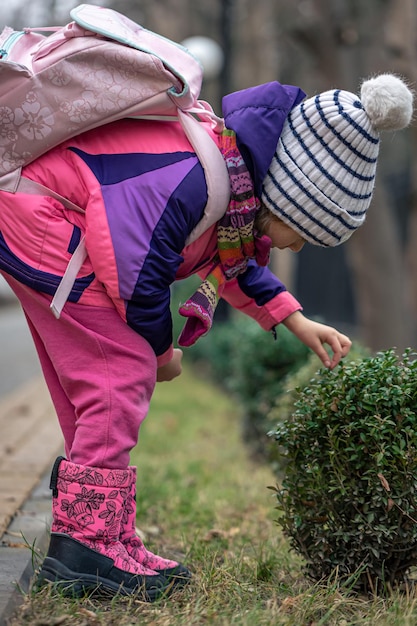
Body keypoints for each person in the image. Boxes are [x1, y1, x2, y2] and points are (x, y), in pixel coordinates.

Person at [0, 72, 412, 600]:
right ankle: (87, 545)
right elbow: (136, 269)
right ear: (291, 196)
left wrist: (296, 320)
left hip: (43, 219)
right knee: (117, 372)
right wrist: (159, 350)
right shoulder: (195, 178)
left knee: (93, 387)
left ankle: (103, 533)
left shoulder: (228, 186)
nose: (299, 247)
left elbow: (233, 263)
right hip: (44, 216)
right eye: (305, 233)